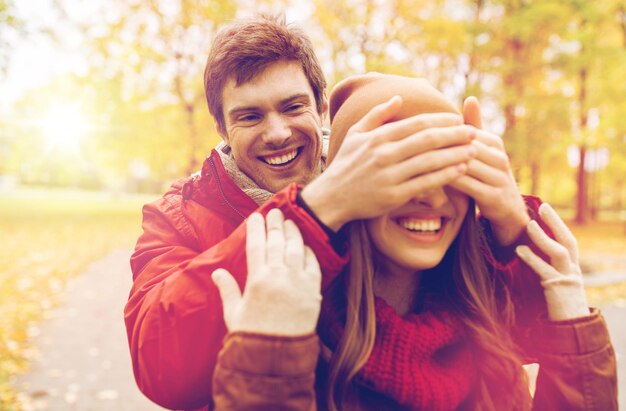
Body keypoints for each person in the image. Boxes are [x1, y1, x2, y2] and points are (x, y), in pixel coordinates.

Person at [126, 15, 549, 411]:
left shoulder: (386, 187)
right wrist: (317, 210)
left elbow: (512, 332)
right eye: (250, 116)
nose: (277, 133)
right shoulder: (179, 215)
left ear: (321, 108)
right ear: (222, 128)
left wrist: (512, 226)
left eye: (293, 107)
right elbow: (162, 368)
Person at [211, 73, 618, 410]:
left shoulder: (488, 335)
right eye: (404, 172)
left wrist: (574, 339)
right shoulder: (293, 331)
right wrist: (266, 372)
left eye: (450, 170)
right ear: (351, 184)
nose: (432, 196)